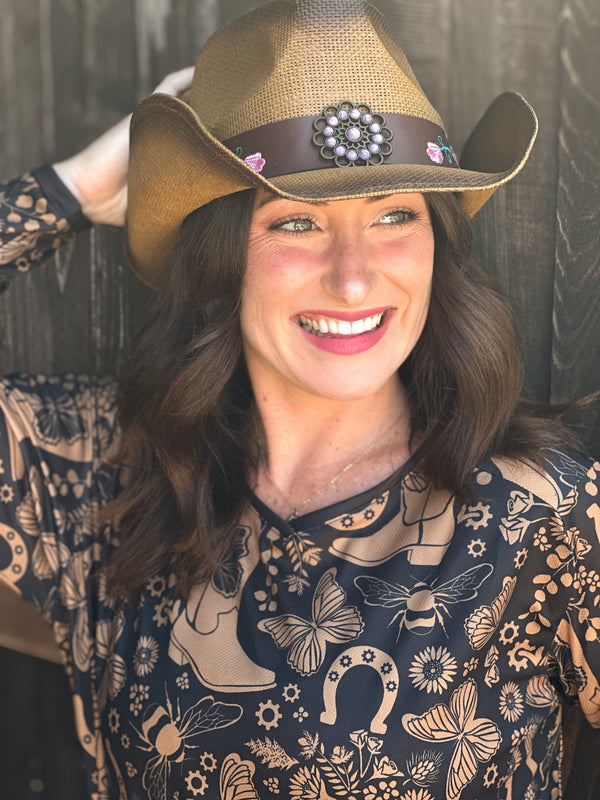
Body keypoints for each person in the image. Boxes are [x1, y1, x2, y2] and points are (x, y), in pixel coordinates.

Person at [1, 1, 599, 798]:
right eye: (296, 223)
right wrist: (72, 191)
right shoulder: (101, 471)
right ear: (220, 258)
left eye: (394, 214)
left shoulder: (543, 516)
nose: (353, 279)